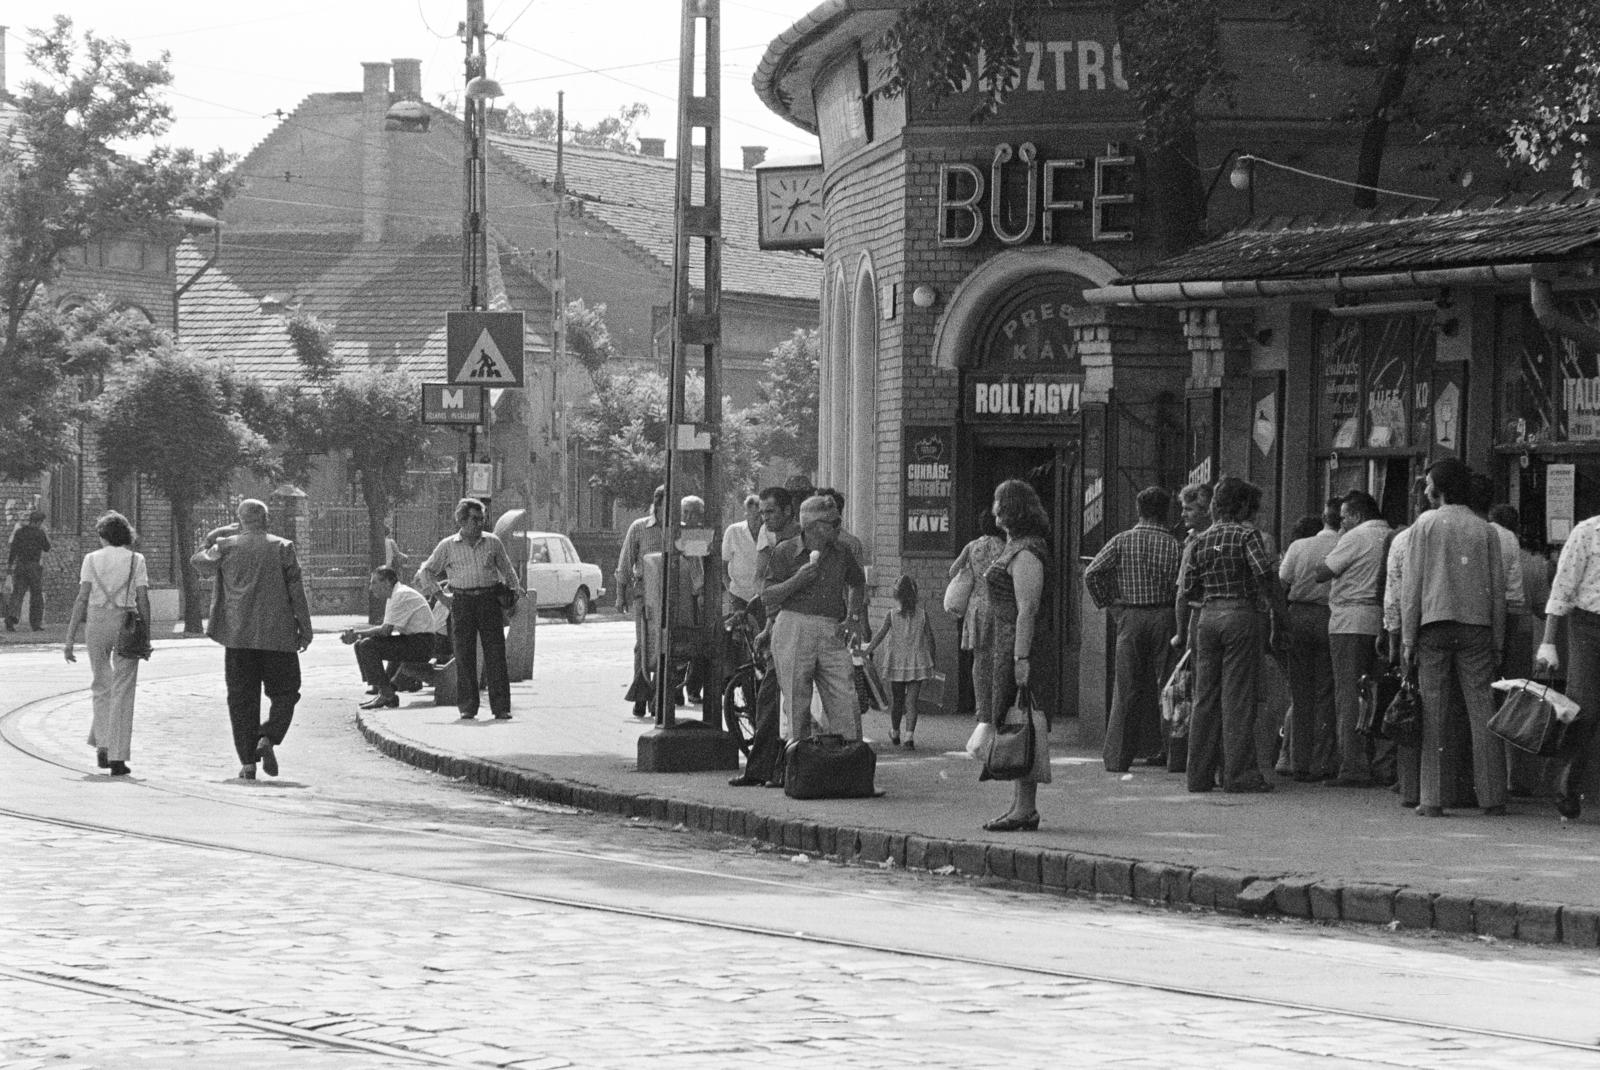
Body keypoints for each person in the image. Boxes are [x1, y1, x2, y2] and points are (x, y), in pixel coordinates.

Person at [1401, 458, 1507, 817]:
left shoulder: (1425, 525)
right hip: (1478, 626)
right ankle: (1493, 796)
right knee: (1483, 710)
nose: (1427, 490)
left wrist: (1407, 637)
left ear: (1439, 488)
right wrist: (1498, 639)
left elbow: (1411, 585)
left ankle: (1431, 797)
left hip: (1434, 624)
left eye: (1429, 483)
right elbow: (1497, 591)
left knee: (1434, 711)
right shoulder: (1485, 529)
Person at [1173, 476, 1287, 794]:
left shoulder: (1200, 539)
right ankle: (1238, 775)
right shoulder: (1246, 534)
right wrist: (1280, 614)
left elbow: (1188, 588)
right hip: (1240, 614)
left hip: (1207, 618)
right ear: (1240, 506)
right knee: (1237, 698)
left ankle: (1198, 775)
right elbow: (1264, 575)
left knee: (1204, 698)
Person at [191, 499, 313, 780]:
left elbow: (198, 562)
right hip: (278, 635)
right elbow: (297, 591)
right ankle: (267, 737)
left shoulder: (226, 546)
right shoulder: (283, 547)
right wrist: (305, 628)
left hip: (238, 636)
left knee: (242, 699)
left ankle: (247, 763)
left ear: (239, 519)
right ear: (266, 519)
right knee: (286, 692)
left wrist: (214, 534)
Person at [761, 495, 866, 774]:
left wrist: (853, 617)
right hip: (793, 624)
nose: (838, 527)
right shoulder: (785, 551)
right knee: (797, 699)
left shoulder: (842, 551)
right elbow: (767, 594)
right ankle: (798, 769)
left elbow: (858, 582)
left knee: (844, 694)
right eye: (833, 522)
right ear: (814, 525)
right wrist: (797, 580)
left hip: (830, 625)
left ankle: (852, 768)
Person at [1083, 486, 1183, 772]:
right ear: (1166, 512)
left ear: (1139, 510)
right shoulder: (1174, 544)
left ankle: (1117, 757)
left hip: (1131, 616)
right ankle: (1173, 755)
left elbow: (1092, 572)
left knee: (1126, 687)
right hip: (1165, 615)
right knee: (1170, 686)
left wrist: (1111, 604)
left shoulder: (1121, 540)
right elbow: (1182, 586)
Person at [973, 478, 1053, 831]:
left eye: (998, 501)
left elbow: (1028, 608)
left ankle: (1026, 808)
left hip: (1016, 645)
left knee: (1023, 722)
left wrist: (1021, 659)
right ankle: (1019, 804)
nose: (994, 508)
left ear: (1009, 509)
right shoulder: (1015, 547)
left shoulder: (1027, 551)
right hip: (1000, 644)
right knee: (1011, 720)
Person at [415, 497, 522, 721]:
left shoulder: (492, 542)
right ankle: (467, 706)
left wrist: (514, 594)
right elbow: (426, 571)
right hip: (462, 602)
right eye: (475, 519)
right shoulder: (448, 545)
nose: (479, 523)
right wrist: (440, 596)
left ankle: (501, 706)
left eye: (482, 518)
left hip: (489, 600)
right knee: (464, 655)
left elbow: (508, 569)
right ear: (462, 520)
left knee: (495, 654)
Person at [62, 511, 149, 777]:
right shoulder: (136, 559)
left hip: (97, 621)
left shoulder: (91, 559)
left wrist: (69, 638)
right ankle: (118, 757)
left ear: (103, 536)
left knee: (101, 683)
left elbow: (81, 598)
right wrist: (146, 632)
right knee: (123, 688)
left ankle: (103, 744)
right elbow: (143, 597)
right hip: (126, 620)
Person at [1314, 490, 1392, 787]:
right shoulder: (1391, 534)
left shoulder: (1355, 536)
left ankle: (1353, 766)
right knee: (1379, 694)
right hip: (1380, 621)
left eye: (1344, 516)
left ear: (1358, 515)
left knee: (1349, 695)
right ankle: (1383, 764)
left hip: (1349, 622)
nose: (1341, 521)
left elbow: (1323, 572)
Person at [1535, 509, 1600, 821]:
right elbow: (1562, 588)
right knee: (1584, 708)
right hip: (1589, 625)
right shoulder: (1588, 531)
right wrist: (1548, 642)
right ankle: (1567, 790)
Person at [1277, 501, 1342, 781]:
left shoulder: (1299, 546)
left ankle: (1297, 761)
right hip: (1330, 615)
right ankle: (1321, 762)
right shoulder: (1346, 544)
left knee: (1300, 692)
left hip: (1298, 615)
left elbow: (1281, 583)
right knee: (1326, 691)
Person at [340, 566, 437, 709]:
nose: (371, 588)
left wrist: (357, 634)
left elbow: (385, 631)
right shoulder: (394, 595)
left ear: (387, 582)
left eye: (374, 583)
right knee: (362, 644)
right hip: (414, 640)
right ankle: (382, 689)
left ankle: (386, 694)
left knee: (367, 645)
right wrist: (358, 636)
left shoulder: (400, 595)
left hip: (422, 644)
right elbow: (387, 630)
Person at [867, 575, 937, 748]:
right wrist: (933, 662)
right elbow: (931, 640)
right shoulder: (923, 615)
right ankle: (909, 737)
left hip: (896, 663)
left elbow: (880, 635)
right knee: (911, 702)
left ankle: (895, 731)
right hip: (918, 663)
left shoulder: (891, 615)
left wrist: (867, 650)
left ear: (896, 596)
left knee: (897, 701)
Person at [616, 486, 667, 717]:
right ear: (657, 504)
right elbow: (626, 562)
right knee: (644, 645)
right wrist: (620, 594)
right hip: (644, 596)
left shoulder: (678, 530)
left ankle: (658, 696)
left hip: (671, 596)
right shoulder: (639, 528)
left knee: (666, 645)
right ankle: (640, 694)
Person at [950, 508, 1005, 718]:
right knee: (998, 657)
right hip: (998, 605)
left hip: (976, 607)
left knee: (979, 659)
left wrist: (970, 574)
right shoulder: (1004, 546)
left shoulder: (972, 546)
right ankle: (996, 705)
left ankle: (981, 707)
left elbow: (952, 571)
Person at [6, 509, 51, 631]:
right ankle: (35, 623)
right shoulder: (40, 533)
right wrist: (45, 533)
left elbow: (13, 550)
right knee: (36, 595)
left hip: (20, 565)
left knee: (18, 593)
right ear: (39, 522)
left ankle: (10, 618)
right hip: (34, 567)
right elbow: (47, 548)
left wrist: (10, 566)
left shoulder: (20, 532)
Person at [724, 493, 765, 622]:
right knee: (738, 630)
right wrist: (729, 590)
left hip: (761, 594)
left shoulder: (769, 532)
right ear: (746, 514)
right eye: (753, 516)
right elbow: (723, 564)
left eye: (759, 516)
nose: (757, 520)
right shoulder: (733, 531)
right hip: (738, 593)